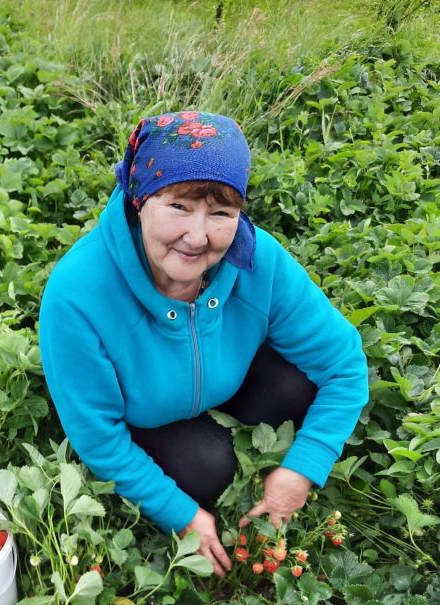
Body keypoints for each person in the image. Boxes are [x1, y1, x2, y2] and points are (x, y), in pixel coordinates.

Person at [38, 111, 368, 577]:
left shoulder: (257, 260)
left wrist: (302, 469)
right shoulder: (77, 291)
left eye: (220, 213)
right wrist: (182, 513)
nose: (197, 237)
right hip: (147, 419)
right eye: (178, 207)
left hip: (228, 382)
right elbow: (98, 435)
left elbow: (344, 364)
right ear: (139, 200)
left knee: (302, 389)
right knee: (209, 470)